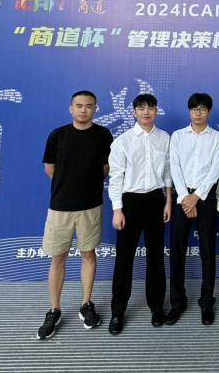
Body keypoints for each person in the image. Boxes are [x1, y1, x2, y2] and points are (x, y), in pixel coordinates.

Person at [38, 90, 113, 339]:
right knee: (57, 258)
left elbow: (106, 166)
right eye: (79, 105)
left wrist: (88, 185)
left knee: (88, 254)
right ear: (71, 109)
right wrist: (66, 186)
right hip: (60, 207)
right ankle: (54, 309)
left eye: (88, 106)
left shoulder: (103, 135)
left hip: (91, 206)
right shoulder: (57, 135)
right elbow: (49, 167)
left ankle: (86, 304)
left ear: (95, 109)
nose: (83, 110)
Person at [107, 93, 172, 335]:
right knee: (124, 259)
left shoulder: (164, 138)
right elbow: (116, 177)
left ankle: (156, 307)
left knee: (156, 257)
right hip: (130, 202)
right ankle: (118, 312)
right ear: (133, 111)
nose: (146, 112)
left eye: (150, 107)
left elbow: (168, 172)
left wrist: (168, 202)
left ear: (156, 110)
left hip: (155, 200)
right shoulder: (122, 141)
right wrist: (117, 209)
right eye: (141, 108)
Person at [166, 93, 219, 326]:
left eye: (202, 109)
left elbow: (215, 170)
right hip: (182, 196)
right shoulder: (178, 136)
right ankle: (177, 302)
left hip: (205, 196)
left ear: (208, 111)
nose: (198, 113)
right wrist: (185, 198)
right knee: (177, 250)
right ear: (189, 111)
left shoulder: (217, 137)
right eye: (194, 109)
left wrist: (196, 196)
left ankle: (207, 302)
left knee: (208, 250)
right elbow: (174, 167)